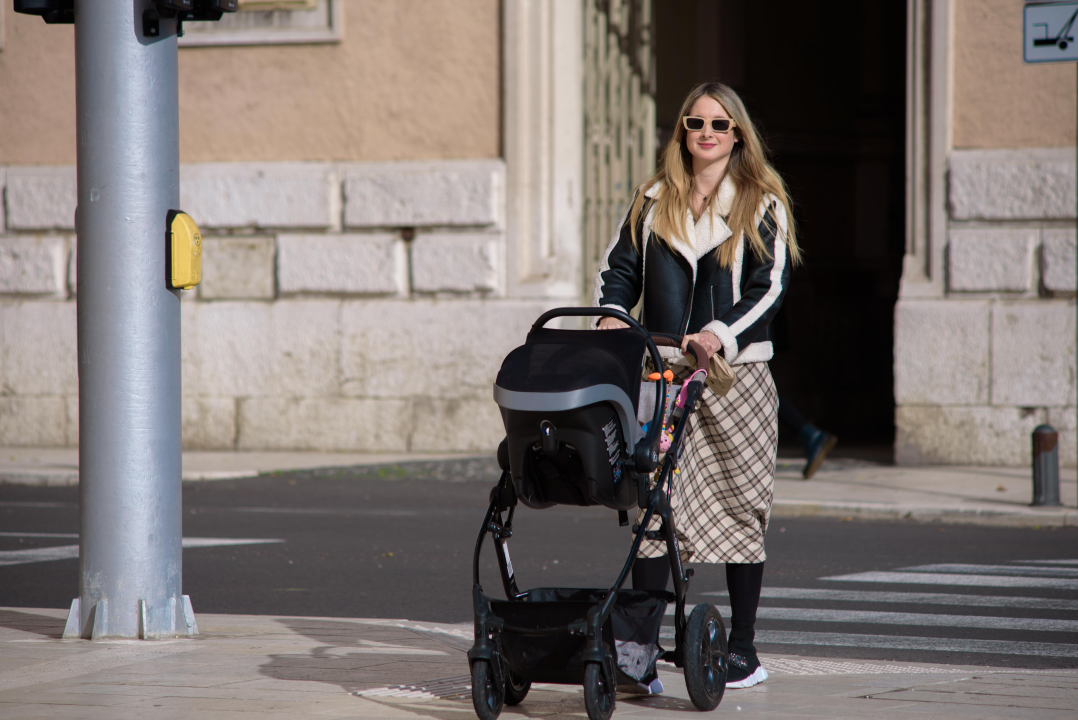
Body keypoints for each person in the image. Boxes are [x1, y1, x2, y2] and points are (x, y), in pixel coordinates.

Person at [594, 81, 800, 690]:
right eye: (695, 123)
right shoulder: (652, 200)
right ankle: (637, 654)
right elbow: (619, 270)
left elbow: (770, 287)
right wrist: (613, 314)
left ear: (737, 135)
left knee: (742, 504)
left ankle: (743, 650)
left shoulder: (762, 201)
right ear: (681, 132)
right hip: (663, 371)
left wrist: (716, 333)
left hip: (737, 377)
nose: (706, 134)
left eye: (719, 125)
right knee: (654, 510)